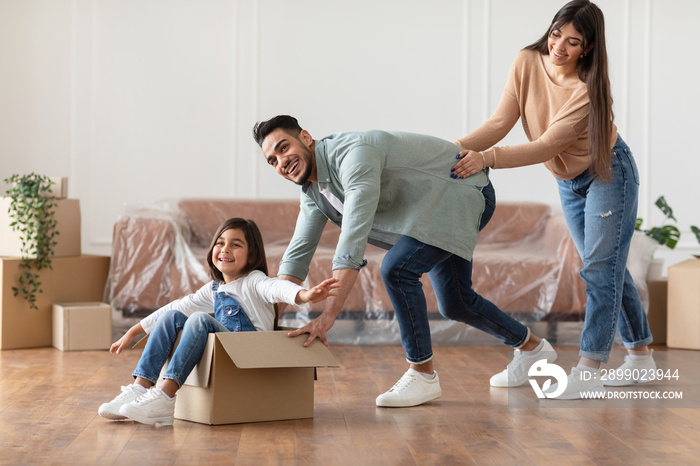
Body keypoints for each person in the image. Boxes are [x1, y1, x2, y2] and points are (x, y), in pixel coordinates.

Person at [253, 115, 557, 408]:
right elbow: (296, 257)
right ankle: (532, 348)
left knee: (397, 269)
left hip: (462, 191)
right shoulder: (314, 190)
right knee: (456, 302)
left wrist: (327, 316)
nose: (281, 161)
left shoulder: (353, 154)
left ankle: (422, 373)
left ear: (305, 138)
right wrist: (260, 325)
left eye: (283, 148)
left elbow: (352, 238)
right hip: (430, 211)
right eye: (272, 161)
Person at [452, 0, 655, 399]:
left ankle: (590, 366)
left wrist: (485, 160)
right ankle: (641, 357)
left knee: (599, 270)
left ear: (588, 48)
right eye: (556, 33)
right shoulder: (527, 61)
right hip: (569, 180)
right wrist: (452, 151)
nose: (559, 46)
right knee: (606, 267)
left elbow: (544, 146)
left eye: (573, 41)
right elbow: (499, 122)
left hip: (608, 172)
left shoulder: (587, 91)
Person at [98, 217, 339, 425]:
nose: (225, 249)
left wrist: (305, 295)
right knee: (172, 316)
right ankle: (140, 387)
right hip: (226, 353)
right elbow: (176, 306)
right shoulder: (214, 289)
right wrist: (135, 330)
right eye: (220, 243)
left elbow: (277, 287)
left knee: (201, 320)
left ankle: (166, 397)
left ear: (252, 254)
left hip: (250, 353)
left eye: (236, 245)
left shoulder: (254, 281)